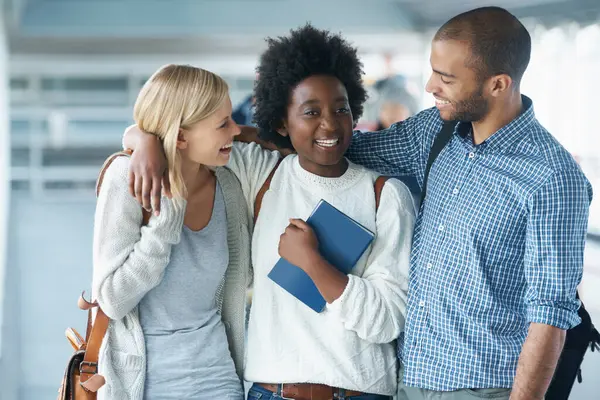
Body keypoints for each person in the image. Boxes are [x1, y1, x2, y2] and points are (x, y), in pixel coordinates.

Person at [124, 24, 415, 400]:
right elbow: (189, 134)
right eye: (310, 112)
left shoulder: (385, 196)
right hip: (270, 392)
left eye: (341, 109)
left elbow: (387, 321)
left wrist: (312, 262)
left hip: (359, 392)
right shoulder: (260, 174)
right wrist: (142, 139)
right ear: (282, 121)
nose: (329, 123)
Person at [347, 7, 592, 400]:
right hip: (409, 379)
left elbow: (549, 314)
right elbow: (347, 151)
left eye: (446, 78)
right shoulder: (435, 131)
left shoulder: (552, 178)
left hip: (485, 388)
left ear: (497, 84)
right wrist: (253, 137)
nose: (430, 86)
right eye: (433, 71)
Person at [93, 64, 251, 399]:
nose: (236, 129)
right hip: (144, 384)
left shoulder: (228, 186)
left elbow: (239, 284)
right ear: (181, 136)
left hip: (218, 379)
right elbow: (112, 299)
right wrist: (165, 222)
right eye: (223, 123)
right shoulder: (126, 179)